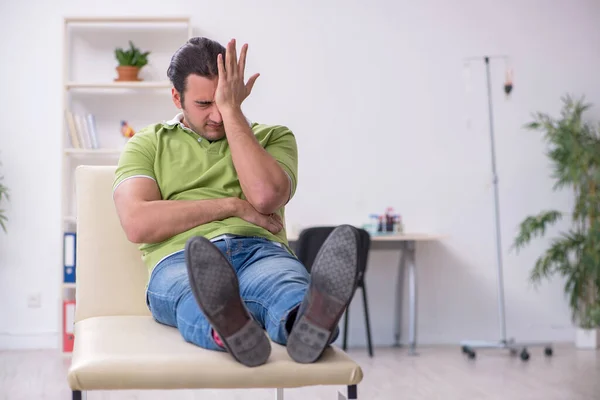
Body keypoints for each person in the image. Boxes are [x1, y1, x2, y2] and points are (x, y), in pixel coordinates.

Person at [112, 36, 360, 367]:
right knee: (194, 298)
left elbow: (265, 196)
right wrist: (232, 206)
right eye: (204, 104)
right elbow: (137, 222)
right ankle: (231, 330)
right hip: (181, 259)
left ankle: (305, 324)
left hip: (260, 251)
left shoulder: (274, 137)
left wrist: (233, 111)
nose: (216, 115)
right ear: (176, 97)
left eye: (223, 99)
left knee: (286, 287)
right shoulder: (146, 144)